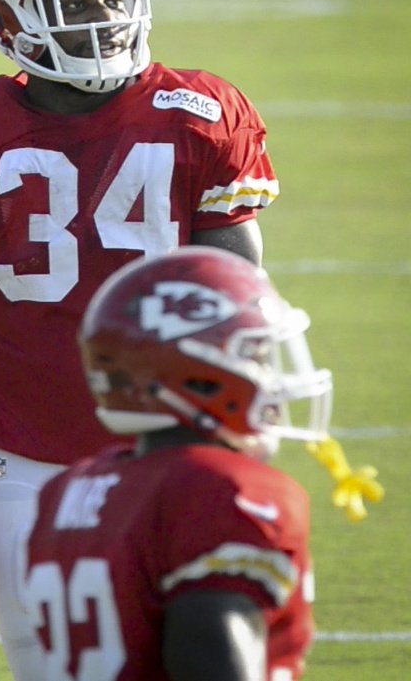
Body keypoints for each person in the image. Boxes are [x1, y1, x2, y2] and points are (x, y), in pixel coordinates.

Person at [0, 0, 280, 679]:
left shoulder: (198, 114)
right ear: (10, 14)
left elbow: (242, 306)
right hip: (31, 470)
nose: (102, 17)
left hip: (175, 459)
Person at [23, 246, 334, 680]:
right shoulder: (218, 491)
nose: (271, 375)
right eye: (255, 355)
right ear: (198, 373)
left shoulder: (67, 492)